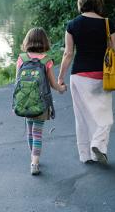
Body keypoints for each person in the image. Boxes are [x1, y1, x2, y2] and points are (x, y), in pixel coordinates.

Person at [57, 0, 115, 164]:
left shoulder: (72, 25)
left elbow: (68, 54)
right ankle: (98, 144)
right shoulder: (107, 23)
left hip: (79, 76)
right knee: (104, 115)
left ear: (81, 2)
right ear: (99, 2)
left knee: (82, 116)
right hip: (101, 75)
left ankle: (86, 154)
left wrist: (60, 77)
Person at [16, 27, 67, 175]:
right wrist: (62, 88)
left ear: (27, 41)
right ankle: (35, 162)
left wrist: (16, 102)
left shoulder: (21, 59)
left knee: (30, 133)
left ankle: (33, 158)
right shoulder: (46, 61)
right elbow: (53, 84)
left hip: (25, 102)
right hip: (41, 103)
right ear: (45, 41)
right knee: (37, 133)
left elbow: (17, 83)